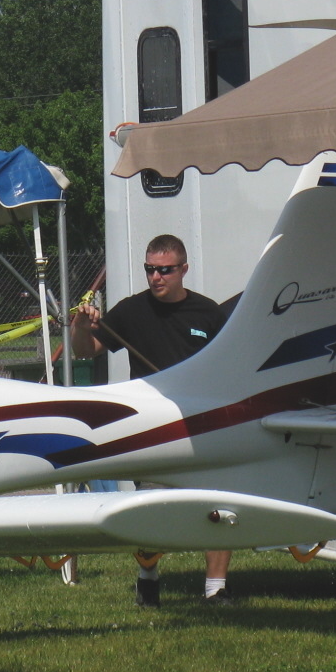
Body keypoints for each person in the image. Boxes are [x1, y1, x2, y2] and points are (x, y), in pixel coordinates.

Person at [68, 233, 234, 607]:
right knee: (150, 510)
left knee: (216, 505)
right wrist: (81, 324)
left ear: (183, 270)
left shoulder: (208, 314)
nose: (156, 277)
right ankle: (148, 581)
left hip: (202, 426)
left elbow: (228, 367)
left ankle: (216, 589)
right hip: (152, 429)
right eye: (150, 270)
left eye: (165, 270)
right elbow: (85, 350)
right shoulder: (130, 311)